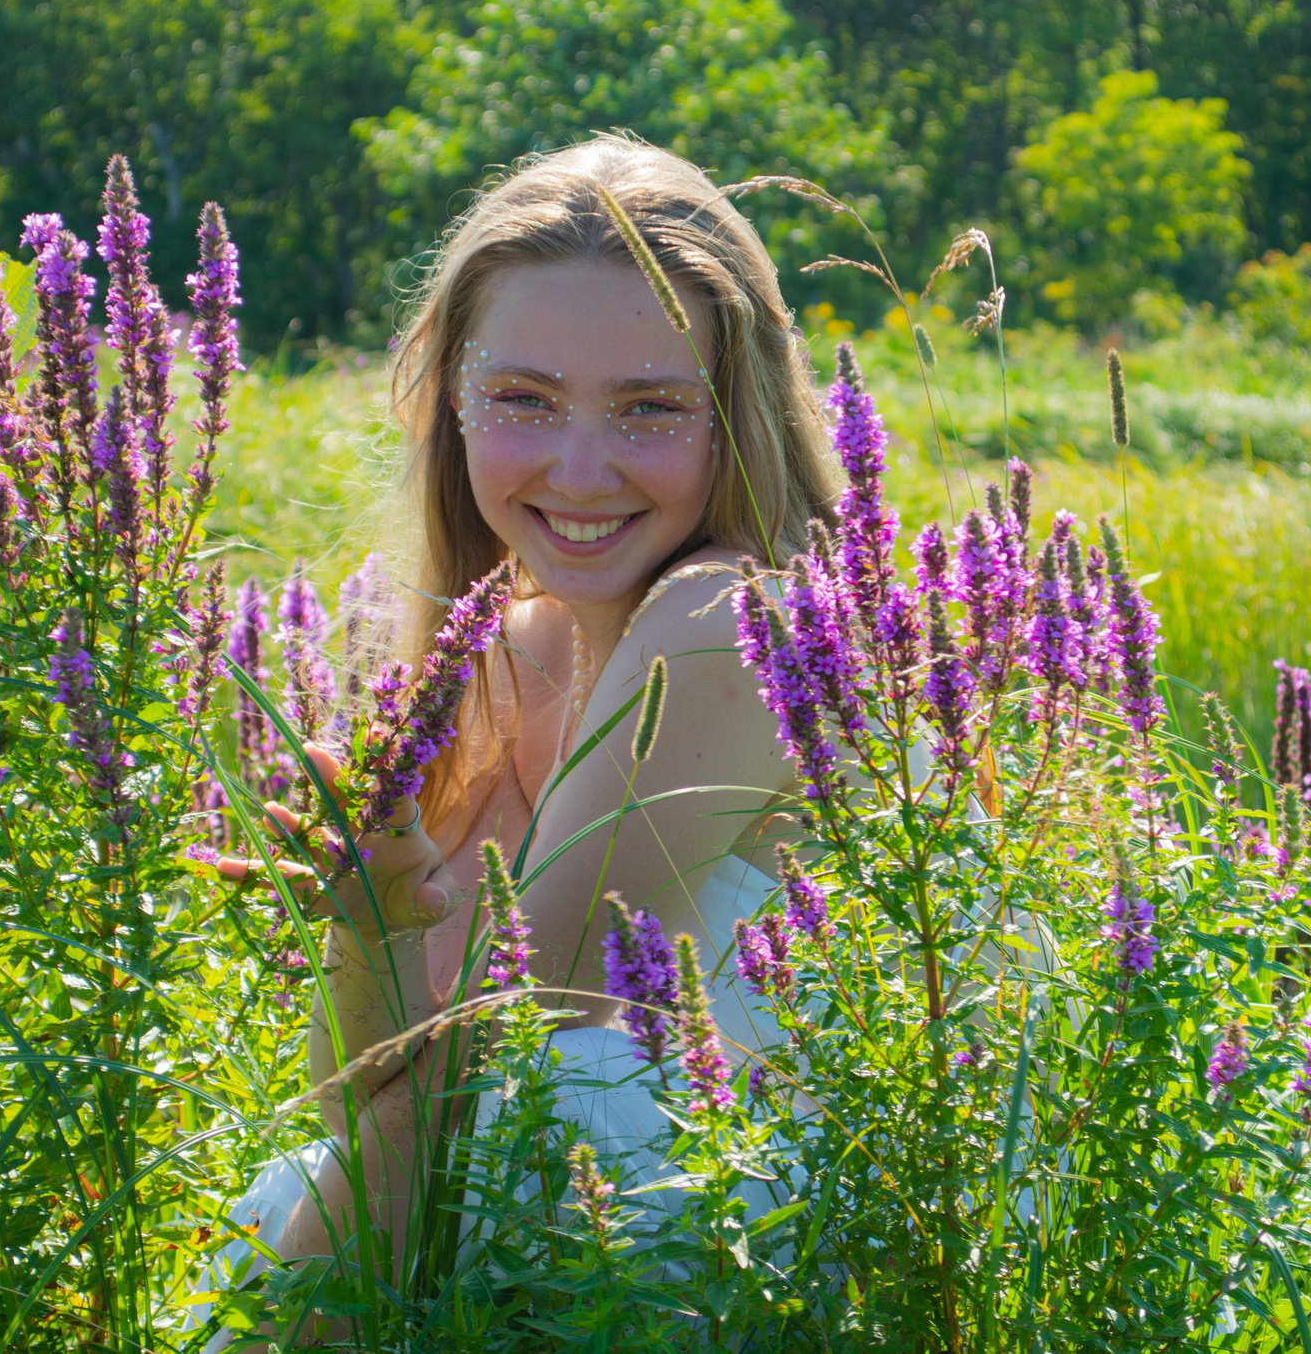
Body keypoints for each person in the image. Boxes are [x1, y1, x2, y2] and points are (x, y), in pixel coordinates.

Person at [208, 135, 839, 1319]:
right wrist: (376, 929)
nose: (580, 468)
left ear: (736, 415)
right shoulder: (513, 653)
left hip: (748, 1280)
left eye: (651, 408)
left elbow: (458, 1067)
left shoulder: (734, 626)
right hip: (581, 1257)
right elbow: (371, 1100)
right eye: (522, 400)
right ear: (451, 405)